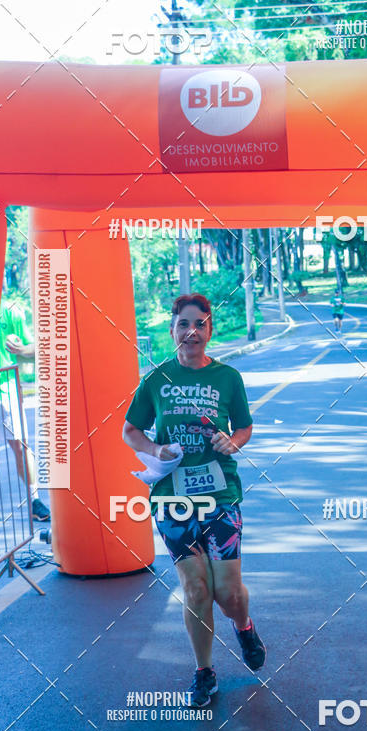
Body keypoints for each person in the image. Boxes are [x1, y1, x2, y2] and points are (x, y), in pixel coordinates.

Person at [122, 293, 266, 708]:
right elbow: (130, 431)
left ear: (209, 329)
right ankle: (204, 671)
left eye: (200, 324)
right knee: (197, 589)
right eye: (184, 324)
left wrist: (230, 441)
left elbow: (244, 428)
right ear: (172, 330)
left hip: (220, 495)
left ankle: (244, 626)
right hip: (172, 499)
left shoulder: (227, 378)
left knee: (228, 593)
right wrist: (155, 450)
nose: (192, 332)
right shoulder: (156, 380)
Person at [0, 295, 51, 525]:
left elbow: (33, 347)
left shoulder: (10, 310)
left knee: (19, 445)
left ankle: (35, 501)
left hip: (5, 386)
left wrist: (22, 348)